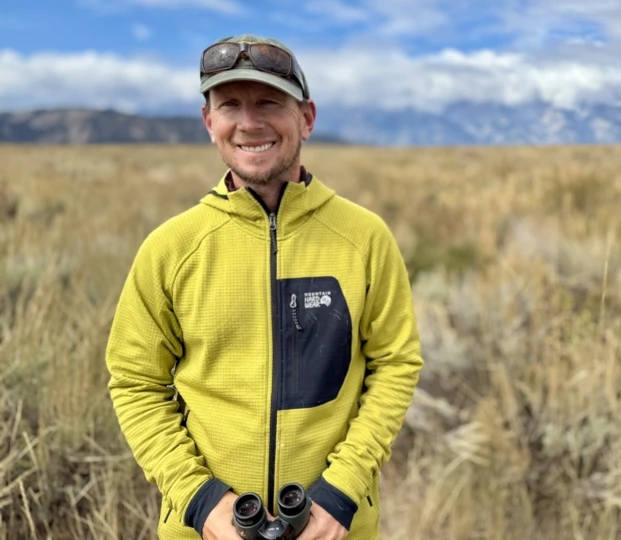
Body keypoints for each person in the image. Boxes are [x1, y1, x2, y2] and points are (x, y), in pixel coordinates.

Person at [105, 34, 424, 540]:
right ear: (210, 122)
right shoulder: (170, 248)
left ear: (307, 118)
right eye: (229, 104)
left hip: (333, 528)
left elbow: (394, 364)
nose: (249, 123)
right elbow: (135, 383)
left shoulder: (364, 238)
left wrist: (341, 493)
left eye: (269, 102)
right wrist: (199, 500)